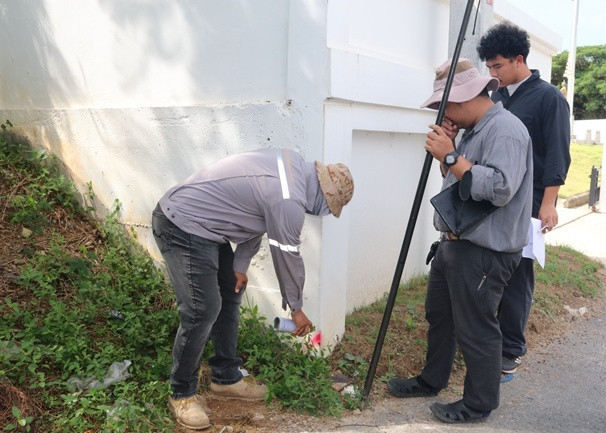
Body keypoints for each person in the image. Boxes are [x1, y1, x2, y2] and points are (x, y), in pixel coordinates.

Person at [152, 148, 354, 430]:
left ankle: (226, 377)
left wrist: (240, 265)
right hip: (182, 223)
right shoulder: (290, 199)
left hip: (208, 229)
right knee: (202, 310)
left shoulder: (293, 167)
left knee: (230, 293)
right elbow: (287, 256)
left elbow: (254, 214)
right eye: (328, 207)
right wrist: (296, 309)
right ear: (324, 195)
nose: (322, 212)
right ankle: (181, 394)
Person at [386, 57, 533, 423]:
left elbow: (500, 188)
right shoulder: (474, 130)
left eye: (444, 105)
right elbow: (459, 179)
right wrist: (451, 149)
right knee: (440, 316)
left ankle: (479, 403)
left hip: (484, 250)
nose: (442, 112)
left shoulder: (506, 131)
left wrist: (450, 154)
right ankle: (432, 379)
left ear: (464, 98)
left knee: (476, 328)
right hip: (455, 242)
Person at [477, 22, 571, 374]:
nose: (493, 74)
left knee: (518, 274)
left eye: (498, 66)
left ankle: (511, 348)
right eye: (489, 67)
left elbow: (558, 154)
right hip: (496, 196)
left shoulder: (549, 98)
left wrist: (549, 203)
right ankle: (487, 341)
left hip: (530, 202)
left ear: (519, 60)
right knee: (490, 268)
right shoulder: (496, 98)